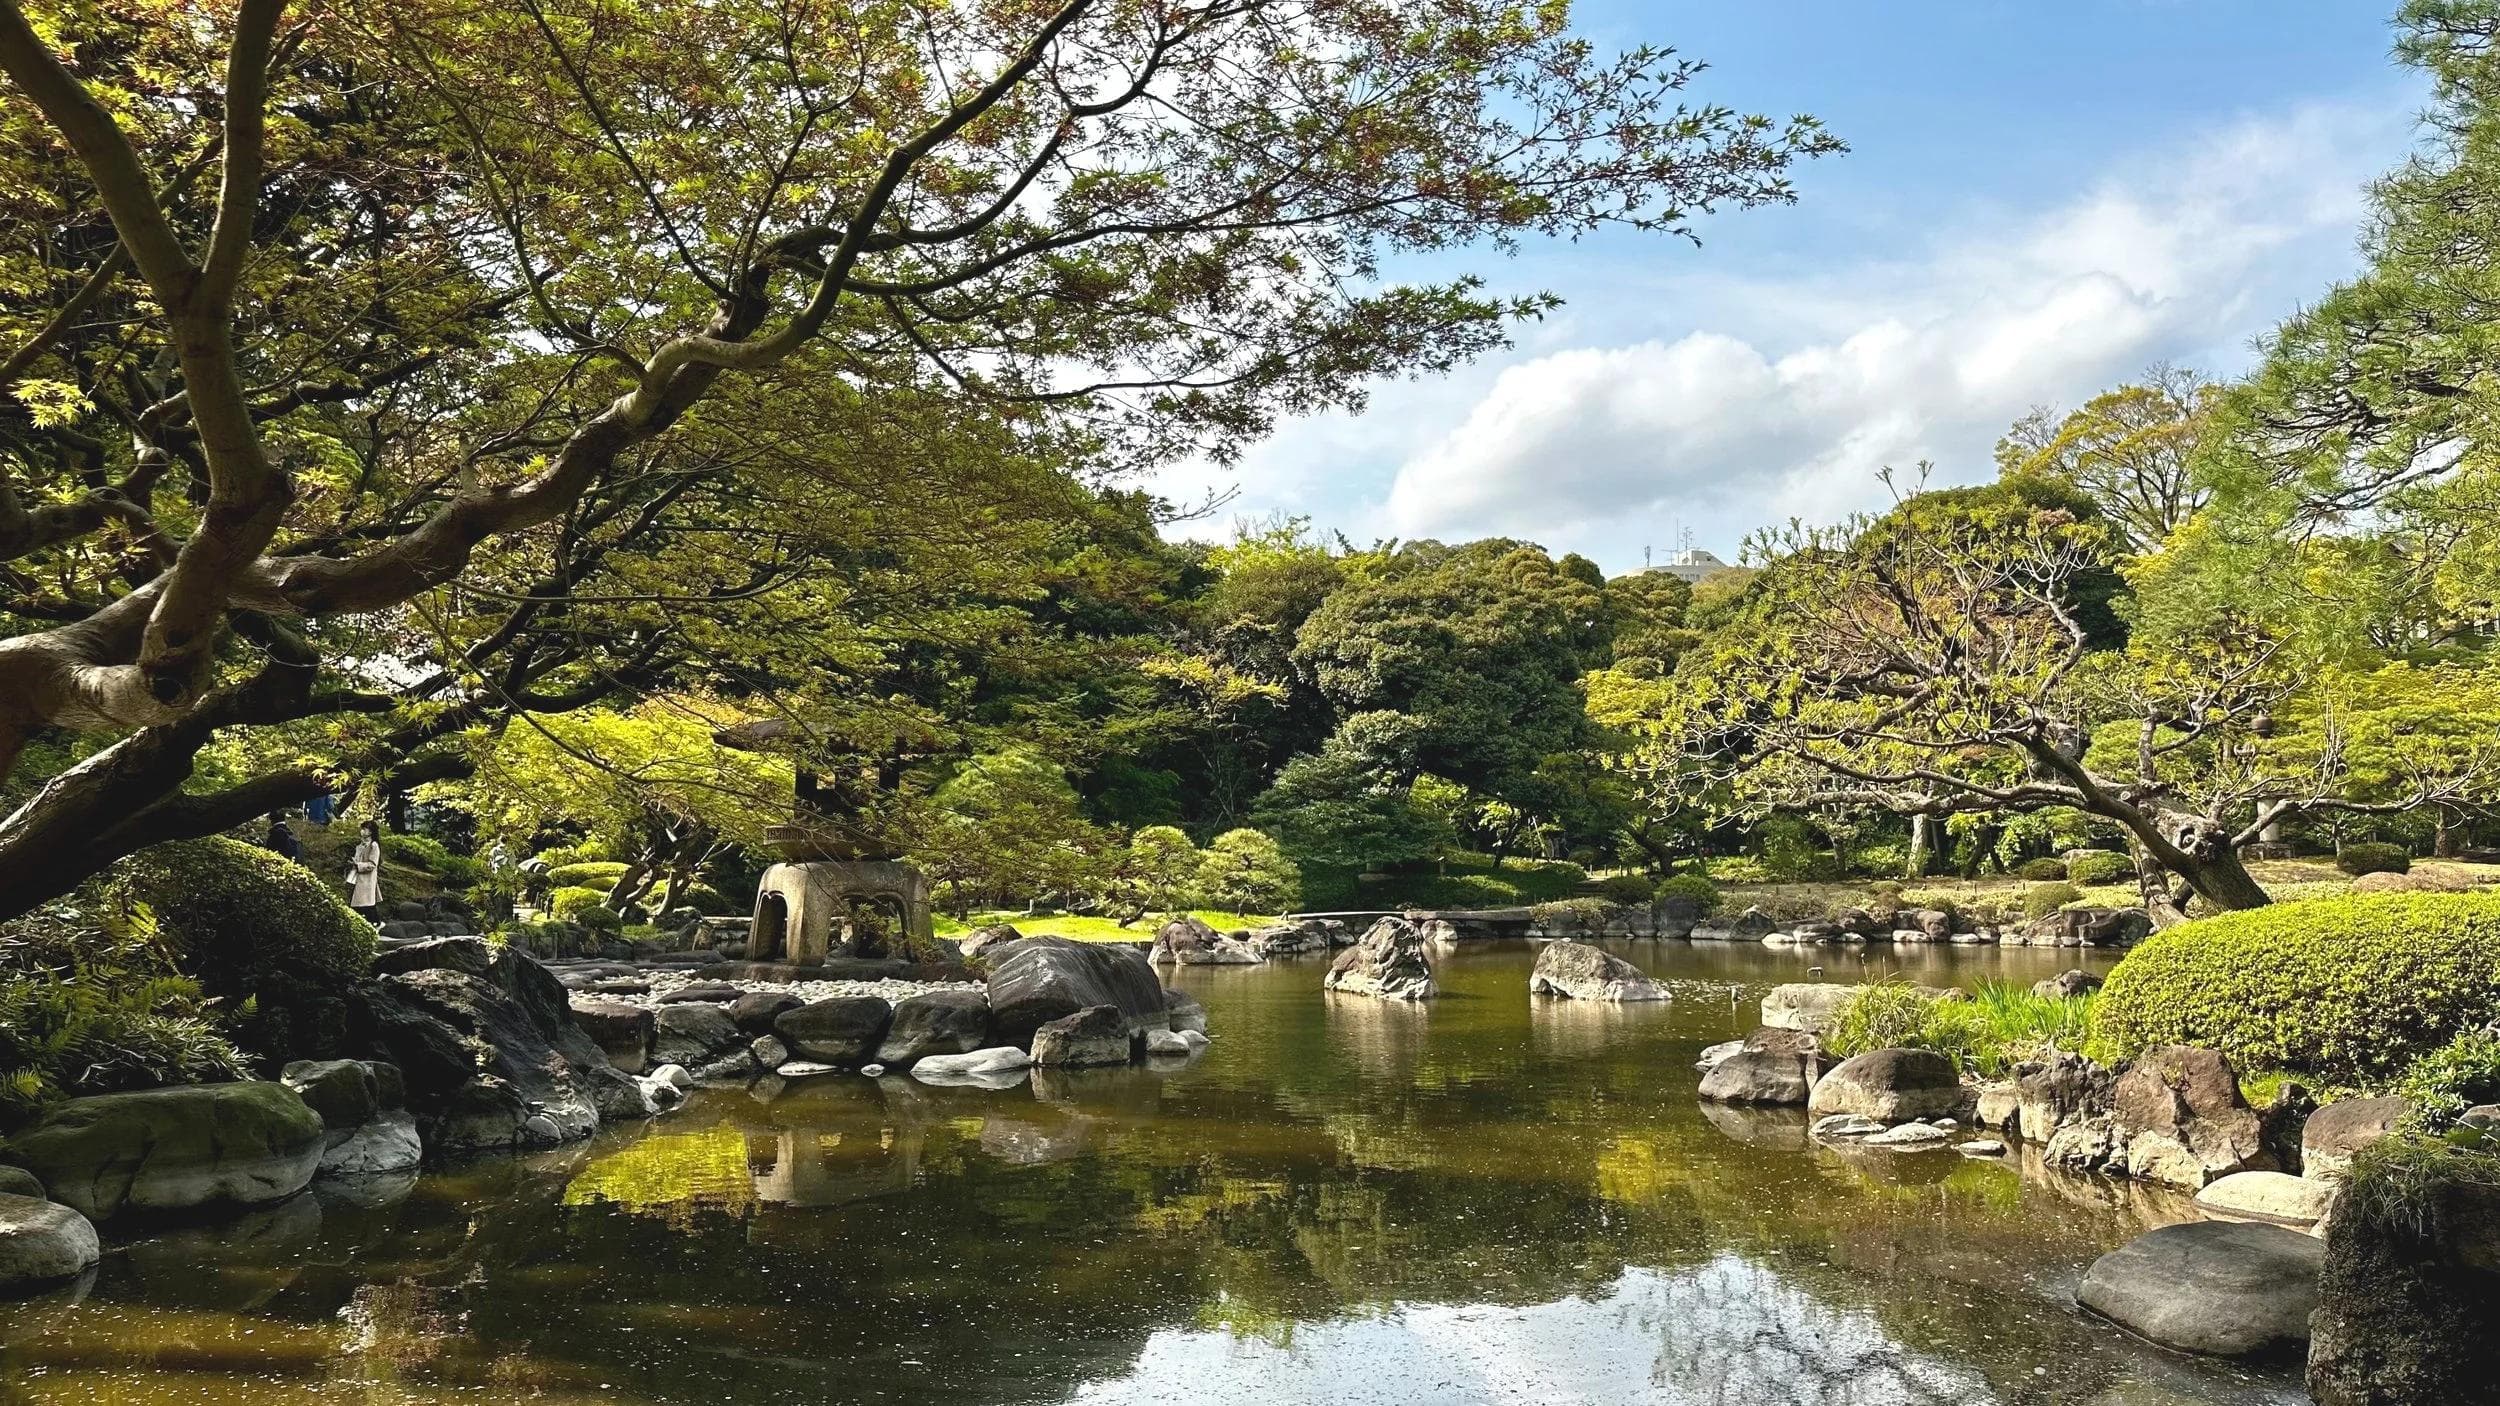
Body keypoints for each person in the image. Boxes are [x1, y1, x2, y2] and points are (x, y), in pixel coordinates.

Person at [347, 820, 383, 920]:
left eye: (364, 829)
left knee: (366, 904)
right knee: (361, 903)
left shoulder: (373, 845)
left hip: (367, 879)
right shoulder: (361, 845)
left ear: (370, 831)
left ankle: (375, 923)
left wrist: (359, 865)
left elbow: (372, 864)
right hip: (358, 878)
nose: (362, 831)